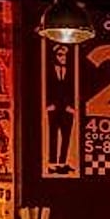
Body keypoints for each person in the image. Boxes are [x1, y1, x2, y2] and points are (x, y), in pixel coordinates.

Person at [45, 44, 76, 175]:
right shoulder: (49, 70)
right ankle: (52, 164)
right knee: (53, 135)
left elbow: (71, 89)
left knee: (66, 136)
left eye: (64, 55)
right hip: (54, 107)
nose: (63, 58)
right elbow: (47, 87)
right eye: (60, 55)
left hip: (67, 108)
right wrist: (48, 104)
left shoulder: (70, 71)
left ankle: (62, 162)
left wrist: (72, 106)